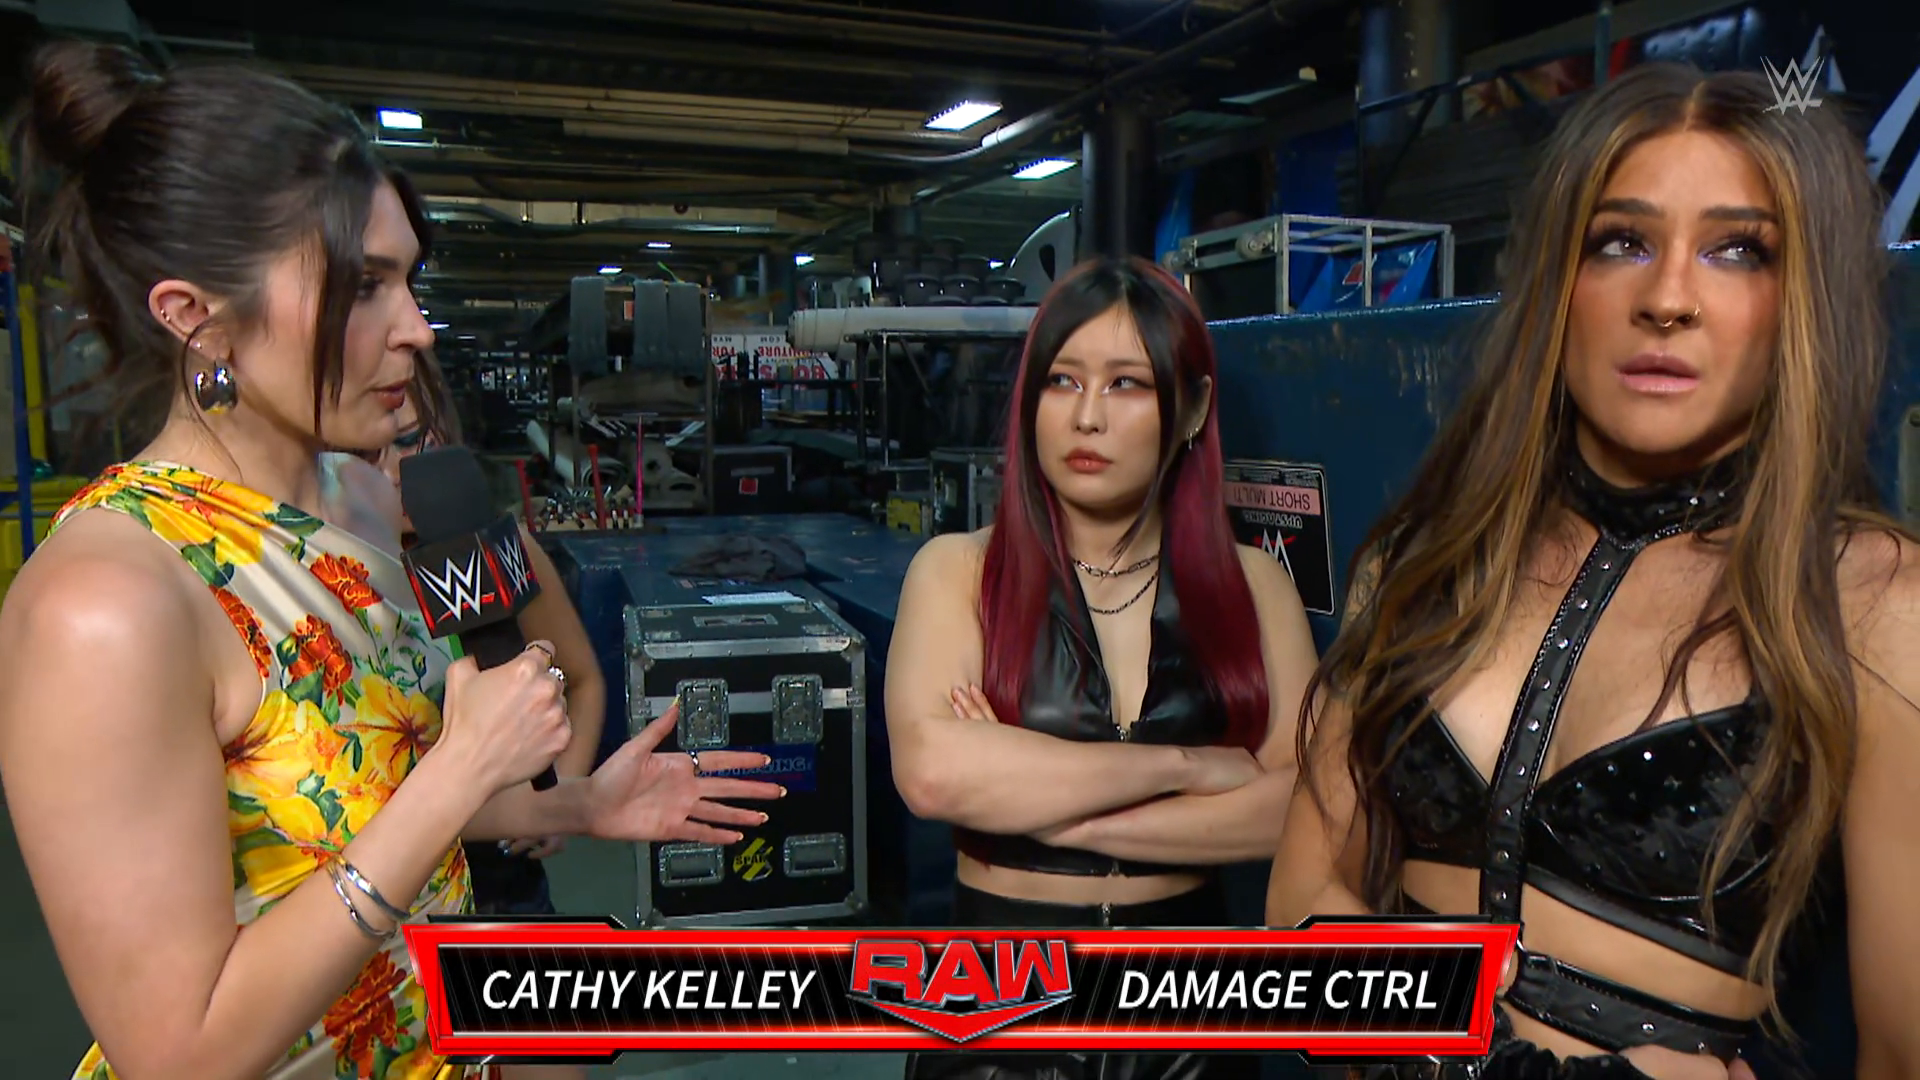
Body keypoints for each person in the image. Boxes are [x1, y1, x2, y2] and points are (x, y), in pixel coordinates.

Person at [0, 42, 782, 1080]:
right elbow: (178, 1051)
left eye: (409, 280)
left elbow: (368, 803)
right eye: (362, 286)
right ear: (195, 318)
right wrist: (460, 767)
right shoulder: (106, 602)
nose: (417, 329)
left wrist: (574, 806)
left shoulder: (365, 503)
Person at [1265, 63, 1920, 1080]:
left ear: (1803, 299)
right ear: (1558, 281)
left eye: (1738, 251)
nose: (1668, 299)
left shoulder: (1874, 602)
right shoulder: (1423, 560)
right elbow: (1299, 908)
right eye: (1622, 242)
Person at [887, 255, 1321, 1080]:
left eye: (1126, 384)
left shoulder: (1255, 586)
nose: (1087, 417)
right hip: (1000, 1002)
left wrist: (1048, 813)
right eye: (1063, 381)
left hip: (1192, 1008)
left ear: (1192, 408)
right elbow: (934, 774)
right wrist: (1188, 765)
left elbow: (1304, 808)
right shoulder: (957, 572)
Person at [371, 353, 606, 919]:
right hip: (379, 894)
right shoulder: (322, 569)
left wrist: (560, 797)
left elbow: (582, 679)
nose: (393, 473)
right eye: (363, 455)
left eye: (408, 441)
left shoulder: (503, 548)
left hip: (503, 886)